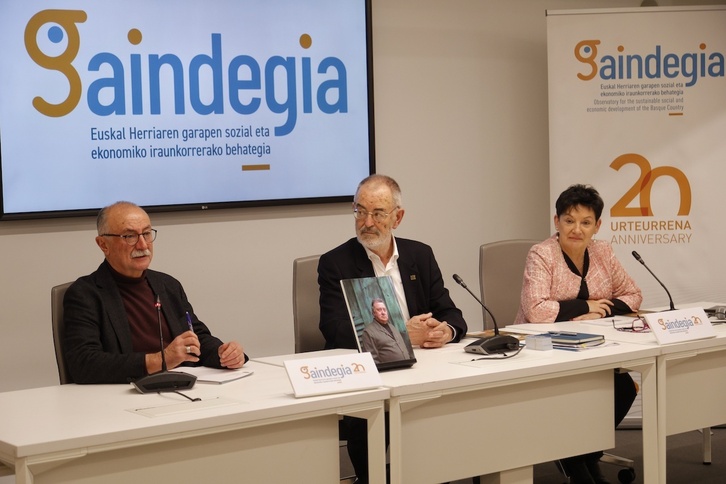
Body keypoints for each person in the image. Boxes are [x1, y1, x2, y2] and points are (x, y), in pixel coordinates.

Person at [318, 174, 467, 483]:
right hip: (369, 377)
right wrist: (404, 335)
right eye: (360, 211)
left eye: (378, 213)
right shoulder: (335, 262)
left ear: (397, 217)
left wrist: (446, 330)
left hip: (424, 373)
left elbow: (452, 314)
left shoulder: (419, 255)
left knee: (450, 421)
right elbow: (333, 329)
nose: (367, 222)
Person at [514, 184, 642, 484]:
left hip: (591, 347)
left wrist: (602, 311)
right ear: (556, 221)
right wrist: (585, 305)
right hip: (542, 348)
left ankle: (586, 457)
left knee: (623, 387)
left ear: (597, 226)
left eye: (586, 222)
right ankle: (578, 466)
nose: (577, 229)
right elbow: (536, 310)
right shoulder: (541, 254)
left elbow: (633, 294)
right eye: (569, 221)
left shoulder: (603, 251)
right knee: (573, 393)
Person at [63, 201, 247, 384]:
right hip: (124, 395)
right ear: (103, 244)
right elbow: (84, 364)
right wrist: (160, 360)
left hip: (183, 386)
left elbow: (196, 336)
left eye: (146, 233)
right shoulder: (85, 294)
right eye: (129, 236)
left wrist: (223, 353)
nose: (143, 245)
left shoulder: (167, 285)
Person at [361, 298, 413, 364]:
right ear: (374, 313)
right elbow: (372, 360)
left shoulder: (392, 327)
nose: (383, 312)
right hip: (390, 371)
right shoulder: (368, 332)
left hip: (407, 367)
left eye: (384, 309)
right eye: (379, 310)